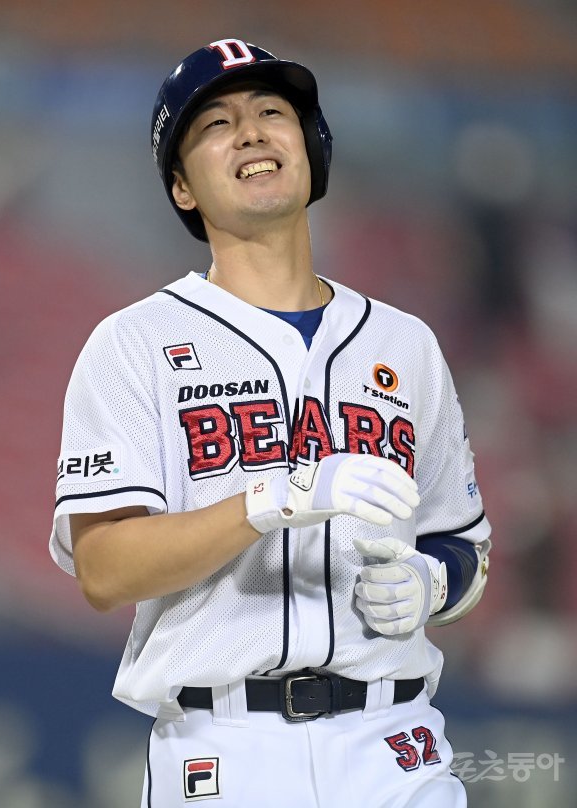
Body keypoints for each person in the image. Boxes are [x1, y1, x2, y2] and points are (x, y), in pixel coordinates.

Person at [50, 38, 491, 808]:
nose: (251, 132)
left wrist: (431, 582)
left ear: (310, 148)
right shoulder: (134, 342)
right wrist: (270, 499)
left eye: (271, 112)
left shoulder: (405, 343)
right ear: (182, 186)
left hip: (396, 743)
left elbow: (466, 546)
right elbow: (104, 570)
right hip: (226, 747)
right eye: (216, 124)